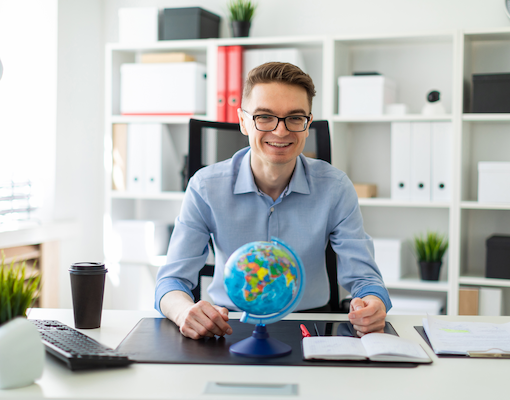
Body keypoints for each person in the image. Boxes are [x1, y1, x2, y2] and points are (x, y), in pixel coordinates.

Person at [155, 62, 391, 340]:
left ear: (308, 124)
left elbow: (365, 279)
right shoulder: (205, 187)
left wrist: (373, 303)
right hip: (227, 325)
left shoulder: (336, 187)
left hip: (311, 327)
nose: (280, 132)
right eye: (265, 117)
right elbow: (171, 281)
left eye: (295, 118)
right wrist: (184, 312)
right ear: (243, 121)